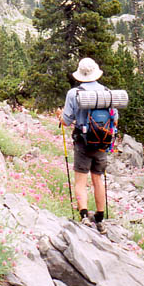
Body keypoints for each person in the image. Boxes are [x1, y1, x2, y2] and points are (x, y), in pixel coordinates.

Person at [57, 57, 118, 234]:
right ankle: (100, 219)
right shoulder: (107, 92)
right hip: (102, 143)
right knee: (98, 178)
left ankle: (84, 216)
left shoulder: (73, 94)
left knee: (81, 180)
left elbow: (66, 121)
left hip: (83, 142)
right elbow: (114, 118)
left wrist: (60, 115)